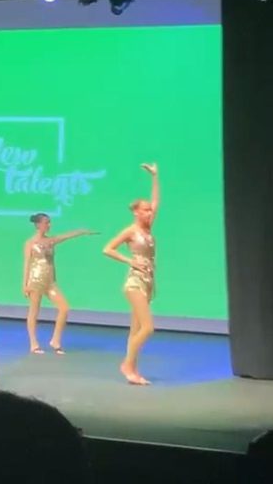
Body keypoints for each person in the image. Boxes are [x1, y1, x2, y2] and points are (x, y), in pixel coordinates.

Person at [103, 163, 159, 385]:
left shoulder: (148, 228)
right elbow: (107, 249)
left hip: (147, 282)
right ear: (136, 212)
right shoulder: (131, 231)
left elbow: (156, 202)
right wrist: (130, 261)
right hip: (134, 282)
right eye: (145, 210)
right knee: (147, 328)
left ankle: (133, 370)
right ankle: (127, 364)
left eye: (149, 210)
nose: (149, 212)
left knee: (135, 329)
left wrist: (155, 177)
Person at [22, 214, 96, 354]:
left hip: (50, 282)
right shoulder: (30, 243)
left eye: (49, 222)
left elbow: (67, 236)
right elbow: (27, 263)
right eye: (46, 223)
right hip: (35, 281)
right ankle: (33, 343)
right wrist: (24, 284)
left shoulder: (51, 240)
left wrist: (81, 231)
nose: (48, 225)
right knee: (34, 312)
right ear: (38, 225)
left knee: (64, 308)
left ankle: (55, 340)